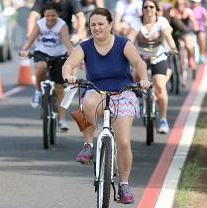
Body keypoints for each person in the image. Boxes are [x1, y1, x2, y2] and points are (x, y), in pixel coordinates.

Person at [62, 8, 150, 204]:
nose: (96, 28)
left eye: (100, 24)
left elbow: (138, 63)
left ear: (110, 25)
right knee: (86, 103)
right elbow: (69, 64)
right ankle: (88, 145)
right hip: (97, 90)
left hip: (123, 92)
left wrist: (143, 79)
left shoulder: (122, 44)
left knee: (124, 142)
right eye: (93, 24)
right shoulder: (85, 46)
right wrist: (68, 75)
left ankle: (124, 184)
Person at [20, 2, 73, 131]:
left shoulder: (62, 25)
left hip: (58, 56)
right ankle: (38, 91)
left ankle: (62, 119)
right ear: (43, 15)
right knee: (41, 66)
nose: (50, 18)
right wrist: (24, 49)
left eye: (53, 16)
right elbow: (31, 39)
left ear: (58, 14)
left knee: (59, 88)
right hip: (42, 53)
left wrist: (73, 55)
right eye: (47, 15)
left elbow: (67, 42)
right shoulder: (40, 24)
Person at [134, 0, 178, 134]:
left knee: (159, 85)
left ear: (156, 9)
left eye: (151, 7)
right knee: (134, 79)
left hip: (158, 56)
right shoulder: (137, 22)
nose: (148, 9)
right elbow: (130, 37)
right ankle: (140, 99)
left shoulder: (162, 22)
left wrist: (173, 48)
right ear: (142, 9)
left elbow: (168, 35)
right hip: (141, 58)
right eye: (145, 7)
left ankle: (163, 120)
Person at [170, 0, 199, 69]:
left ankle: (190, 58)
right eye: (179, 4)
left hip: (185, 32)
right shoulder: (173, 11)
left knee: (189, 46)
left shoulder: (188, 11)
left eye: (182, 4)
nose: (180, 5)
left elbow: (194, 22)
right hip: (175, 33)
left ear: (185, 4)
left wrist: (195, 27)